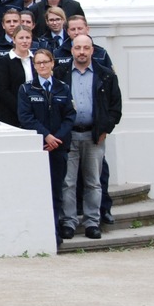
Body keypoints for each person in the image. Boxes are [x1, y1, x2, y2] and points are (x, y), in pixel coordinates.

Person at [54, 35, 123, 241]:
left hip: (95, 136)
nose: (82, 52)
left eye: (86, 48)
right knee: (68, 182)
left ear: (92, 50)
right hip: (69, 135)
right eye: (78, 48)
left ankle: (92, 222)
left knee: (93, 182)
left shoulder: (106, 75)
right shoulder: (60, 74)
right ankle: (68, 222)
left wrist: (105, 129)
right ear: (72, 50)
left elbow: (115, 108)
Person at [17, 50, 76, 243]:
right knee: (40, 190)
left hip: (58, 146)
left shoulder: (63, 88)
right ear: (34, 66)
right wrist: (46, 136)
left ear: (52, 63)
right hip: (39, 146)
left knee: (57, 190)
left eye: (45, 62)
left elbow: (69, 116)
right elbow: (26, 118)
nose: (42, 66)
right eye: (38, 63)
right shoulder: (26, 89)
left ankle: (55, 231)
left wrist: (56, 138)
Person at [0, 27, 35, 128]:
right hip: (11, 114)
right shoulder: (4, 61)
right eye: (21, 38)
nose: (25, 41)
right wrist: (22, 108)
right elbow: (3, 90)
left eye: (27, 37)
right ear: (14, 39)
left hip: (35, 113)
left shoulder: (35, 60)